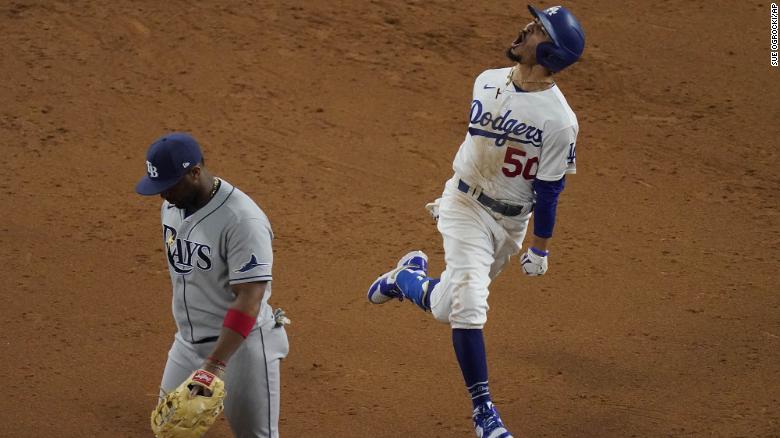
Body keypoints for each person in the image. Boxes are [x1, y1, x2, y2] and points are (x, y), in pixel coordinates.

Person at [367, 5, 585, 437]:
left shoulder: (560, 122)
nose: (526, 28)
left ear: (552, 56)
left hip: (510, 226)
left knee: (449, 307)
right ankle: (484, 412)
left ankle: (406, 278)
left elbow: (550, 190)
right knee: (470, 307)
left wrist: (540, 246)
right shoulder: (485, 80)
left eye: (539, 29)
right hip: (464, 206)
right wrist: (457, 199)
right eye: (533, 22)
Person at [136, 132, 289, 438]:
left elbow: (249, 296)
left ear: (195, 172)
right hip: (188, 341)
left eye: (169, 186)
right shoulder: (172, 206)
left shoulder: (243, 220)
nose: (163, 196)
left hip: (242, 347)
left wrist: (215, 364)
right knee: (171, 427)